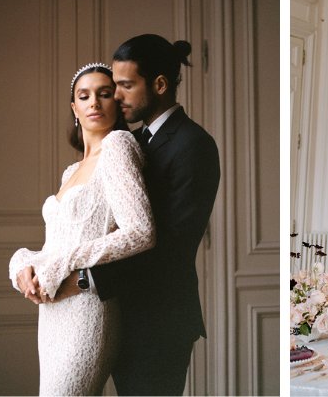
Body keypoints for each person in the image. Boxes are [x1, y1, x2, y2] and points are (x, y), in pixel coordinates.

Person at [85, 36, 220, 396]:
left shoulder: (194, 145)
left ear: (159, 84)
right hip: (121, 316)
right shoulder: (129, 140)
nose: (116, 96)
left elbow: (172, 246)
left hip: (161, 322)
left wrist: (88, 280)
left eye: (126, 86)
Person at [9, 63, 155, 396]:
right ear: (74, 108)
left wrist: (66, 262)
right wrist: (22, 263)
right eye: (84, 96)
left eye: (105, 94)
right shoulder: (71, 171)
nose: (94, 103)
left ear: (117, 104)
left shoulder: (118, 146)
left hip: (87, 308)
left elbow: (141, 231)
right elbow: (55, 245)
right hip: (53, 313)